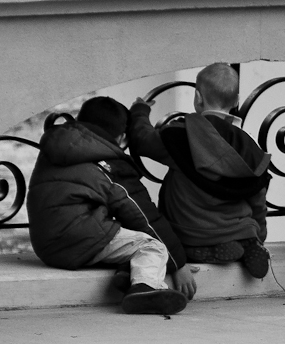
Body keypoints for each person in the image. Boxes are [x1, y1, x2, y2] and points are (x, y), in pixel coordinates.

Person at [27, 96, 195, 315]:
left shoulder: (58, 144)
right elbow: (144, 216)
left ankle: (126, 276)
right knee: (152, 246)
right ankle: (144, 288)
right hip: (80, 241)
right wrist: (178, 264)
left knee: (122, 236)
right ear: (122, 137)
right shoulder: (110, 163)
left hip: (45, 244)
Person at [128, 63, 272, 279]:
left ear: (197, 97)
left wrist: (140, 111)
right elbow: (258, 196)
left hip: (193, 230)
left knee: (177, 244)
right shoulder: (248, 147)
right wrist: (259, 233)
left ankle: (204, 251)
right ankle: (249, 244)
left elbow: (142, 140)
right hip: (239, 227)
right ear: (236, 101)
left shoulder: (180, 136)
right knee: (243, 229)